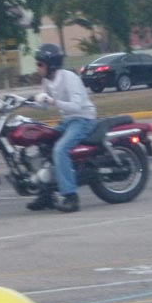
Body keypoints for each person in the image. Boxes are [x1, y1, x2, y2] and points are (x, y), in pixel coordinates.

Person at [28, 43, 98, 213]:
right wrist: (27, 102)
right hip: (67, 120)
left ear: (51, 65)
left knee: (60, 149)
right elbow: (44, 105)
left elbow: (76, 106)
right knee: (42, 144)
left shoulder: (69, 77)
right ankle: (47, 195)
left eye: (40, 64)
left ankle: (71, 197)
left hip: (83, 118)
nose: (38, 67)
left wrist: (53, 101)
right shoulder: (47, 80)